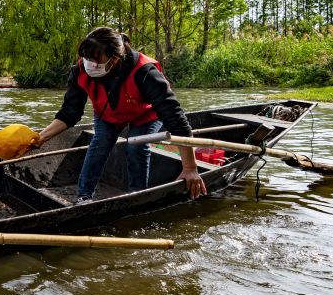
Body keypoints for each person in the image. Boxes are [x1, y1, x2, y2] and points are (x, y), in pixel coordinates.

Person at [29, 27, 207, 202]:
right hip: (108, 113)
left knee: (136, 145)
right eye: (85, 57)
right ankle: (83, 197)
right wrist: (41, 138)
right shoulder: (80, 70)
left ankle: (137, 197)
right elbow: (69, 114)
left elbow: (176, 119)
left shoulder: (145, 72)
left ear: (113, 59)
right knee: (100, 143)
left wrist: (190, 168)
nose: (88, 63)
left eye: (94, 59)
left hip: (144, 113)